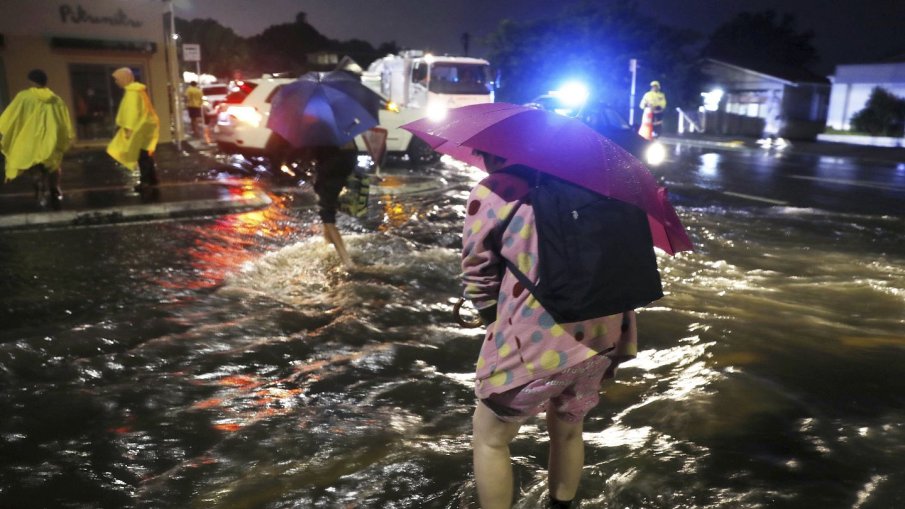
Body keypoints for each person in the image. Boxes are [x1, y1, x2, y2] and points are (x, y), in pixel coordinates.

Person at [462, 151, 640, 509]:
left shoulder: (498, 188)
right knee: (569, 428)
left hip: (536, 337)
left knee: (490, 438)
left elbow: (478, 271)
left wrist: (491, 319)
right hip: (601, 332)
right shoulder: (597, 186)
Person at [0, 69, 74, 209]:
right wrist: (64, 137)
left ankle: (39, 190)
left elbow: (12, 115)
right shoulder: (56, 99)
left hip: (30, 141)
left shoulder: (24, 97)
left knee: (34, 167)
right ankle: (55, 189)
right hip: (50, 140)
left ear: (31, 81)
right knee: (54, 165)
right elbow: (63, 121)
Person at [106, 67, 160, 194]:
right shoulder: (137, 91)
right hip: (146, 126)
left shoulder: (132, 93)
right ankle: (152, 179)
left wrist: (128, 129)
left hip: (139, 128)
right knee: (145, 153)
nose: (116, 82)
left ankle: (146, 182)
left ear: (124, 78)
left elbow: (132, 112)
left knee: (142, 155)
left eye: (117, 79)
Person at [311, 142, 358, 268]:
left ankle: (347, 261)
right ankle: (328, 244)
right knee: (327, 209)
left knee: (326, 214)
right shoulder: (344, 128)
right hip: (344, 163)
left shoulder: (322, 130)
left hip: (331, 168)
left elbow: (319, 155)